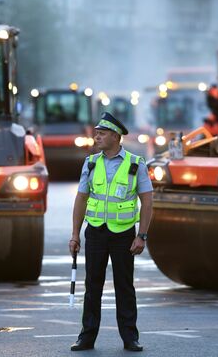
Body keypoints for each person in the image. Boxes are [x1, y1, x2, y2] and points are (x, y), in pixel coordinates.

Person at [69, 112, 153, 352]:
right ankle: (86, 337)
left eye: (102, 133)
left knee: (124, 286)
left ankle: (130, 338)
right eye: (96, 132)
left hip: (124, 234)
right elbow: (81, 199)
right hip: (95, 233)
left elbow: (147, 202)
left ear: (116, 136)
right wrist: (75, 234)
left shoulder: (136, 164)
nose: (96, 137)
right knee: (92, 286)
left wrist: (142, 235)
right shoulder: (91, 162)